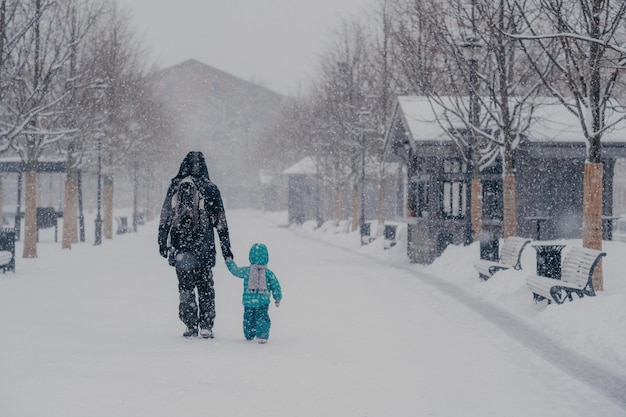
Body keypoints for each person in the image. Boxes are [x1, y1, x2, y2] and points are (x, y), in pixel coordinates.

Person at [158, 151, 233, 338]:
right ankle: (206, 326)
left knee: (185, 287)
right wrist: (226, 249)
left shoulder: (175, 186)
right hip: (204, 248)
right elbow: (221, 222)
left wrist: (162, 240)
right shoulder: (211, 189)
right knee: (206, 287)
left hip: (180, 247)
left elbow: (165, 216)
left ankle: (190, 325)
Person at [226, 243, 282, 344]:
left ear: (250, 256)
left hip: (249, 301)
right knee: (262, 318)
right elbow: (275, 285)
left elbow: (236, 271)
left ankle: (250, 334)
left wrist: (229, 262)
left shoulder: (247, 271)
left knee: (248, 319)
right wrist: (277, 297)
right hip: (263, 300)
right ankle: (261, 335)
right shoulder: (268, 273)